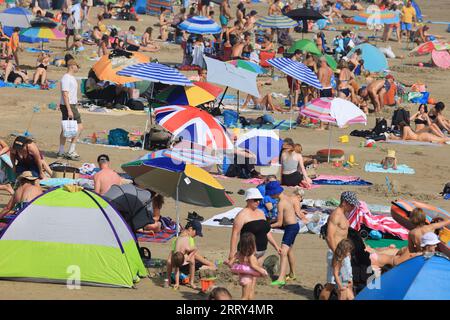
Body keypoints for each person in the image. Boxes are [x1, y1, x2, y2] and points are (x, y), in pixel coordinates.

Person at [319, 191, 359, 300]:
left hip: (343, 252)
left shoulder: (344, 214)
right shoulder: (336, 215)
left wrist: (347, 253)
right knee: (331, 285)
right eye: (351, 204)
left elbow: (344, 236)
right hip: (336, 252)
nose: (353, 207)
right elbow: (329, 237)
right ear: (344, 203)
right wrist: (338, 253)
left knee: (347, 283)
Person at [226, 188, 281, 267]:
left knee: (255, 276)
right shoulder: (242, 215)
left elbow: (266, 232)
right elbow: (235, 234)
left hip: (262, 251)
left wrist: (276, 246)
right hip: (248, 252)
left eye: (259, 200)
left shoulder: (261, 213)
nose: (258, 202)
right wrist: (232, 252)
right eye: (255, 200)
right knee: (248, 276)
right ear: (248, 200)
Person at [267, 181, 301, 287]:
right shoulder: (287, 198)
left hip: (290, 228)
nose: (271, 196)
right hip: (294, 226)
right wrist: (272, 222)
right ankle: (292, 274)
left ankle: (281, 278)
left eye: (271, 194)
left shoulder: (280, 203)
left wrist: (268, 226)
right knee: (289, 251)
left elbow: (280, 223)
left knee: (283, 253)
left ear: (275, 193)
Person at [58, 59, 82, 160]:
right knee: (79, 127)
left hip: (70, 105)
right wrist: (69, 109)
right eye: (77, 66)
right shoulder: (66, 78)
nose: (78, 68)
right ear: (72, 66)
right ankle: (71, 150)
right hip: (68, 105)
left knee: (65, 128)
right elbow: (65, 94)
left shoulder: (71, 78)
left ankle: (61, 151)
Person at [232, 232, 269, 300]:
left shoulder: (238, 253)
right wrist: (263, 271)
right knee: (244, 298)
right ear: (253, 245)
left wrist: (229, 264)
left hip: (241, 276)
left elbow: (231, 262)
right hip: (248, 279)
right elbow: (253, 266)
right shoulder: (250, 256)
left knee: (248, 295)